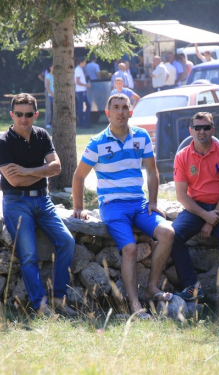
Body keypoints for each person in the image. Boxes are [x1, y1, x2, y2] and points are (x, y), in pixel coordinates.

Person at [72, 93, 175, 318]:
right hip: (112, 206)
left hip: (139, 203)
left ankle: (151, 287)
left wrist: (154, 202)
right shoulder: (97, 142)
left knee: (167, 232)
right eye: (116, 108)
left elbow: (152, 170)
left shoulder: (141, 136)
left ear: (130, 111)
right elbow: (79, 176)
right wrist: (78, 207)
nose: (120, 112)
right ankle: (135, 304)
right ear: (108, 113)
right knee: (129, 249)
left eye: (124, 107)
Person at [0, 93, 76, 317]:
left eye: (29, 114)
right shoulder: (4, 142)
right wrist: (42, 171)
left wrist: (27, 171)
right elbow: (14, 180)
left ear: (36, 114)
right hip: (16, 201)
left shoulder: (42, 134)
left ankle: (59, 299)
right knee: (29, 255)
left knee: (67, 241)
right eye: (19, 114)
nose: (24, 119)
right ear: (12, 114)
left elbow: (58, 167)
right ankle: (41, 307)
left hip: (43, 199)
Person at [171, 112, 219, 318]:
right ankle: (192, 288)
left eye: (206, 127)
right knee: (173, 235)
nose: (202, 131)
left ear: (213, 130)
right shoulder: (182, 156)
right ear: (190, 130)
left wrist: (212, 220)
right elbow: (181, 196)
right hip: (195, 207)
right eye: (198, 127)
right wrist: (205, 216)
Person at [74, 57, 91, 128]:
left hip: (82, 90)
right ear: (81, 62)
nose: (85, 63)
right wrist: (86, 85)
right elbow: (77, 82)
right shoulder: (78, 70)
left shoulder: (80, 69)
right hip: (79, 91)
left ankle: (85, 122)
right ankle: (81, 122)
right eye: (84, 62)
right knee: (80, 107)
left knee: (87, 106)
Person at [44, 63, 54, 129]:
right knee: (49, 109)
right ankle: (48, 123)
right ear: (50, 67)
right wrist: (52, 94)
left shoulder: (56, 76)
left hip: (56, 95)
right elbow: (47, 87)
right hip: (50, 94)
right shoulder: (48, 75)